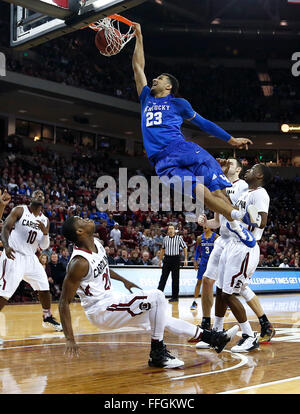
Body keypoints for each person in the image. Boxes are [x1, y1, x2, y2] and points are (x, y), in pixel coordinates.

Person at [131, 22, 260, 248]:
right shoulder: (146, 99)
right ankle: (239, 218)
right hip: (164, 162)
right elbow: (138, 68)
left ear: (169, 86)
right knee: (201, 192)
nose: (154, 80)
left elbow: (204, 123)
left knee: (218, 190)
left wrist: (231, 140)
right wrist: (139, 37)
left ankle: (238, 226)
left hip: (185, 149)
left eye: (159, 78)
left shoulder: (178, 103)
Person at [58, 216, 238, 368]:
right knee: (157, 297)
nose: (87, 219)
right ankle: (157, 353)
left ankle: (213, 338)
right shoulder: (78, 263)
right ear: (79, 232)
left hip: (113, 299)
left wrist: (124, 280)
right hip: (101, 310)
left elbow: (103, 268)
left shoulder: (96, 243)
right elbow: (63, 302)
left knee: (161, 318)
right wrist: (69, 339)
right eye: (81, 220)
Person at [197, 159, 275, 348]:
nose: (249, 170)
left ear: (260, 176)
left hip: (244, 246)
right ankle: (217, 331)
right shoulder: (247, 193)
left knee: (230, 293)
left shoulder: (260, 194)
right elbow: (226, 204)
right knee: (222, 292)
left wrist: (246, 217)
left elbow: (262, 222)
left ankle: (249, 335)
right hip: (231, 244)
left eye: (253, 169)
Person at [0, 190, 62, 346]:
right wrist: (6, 246)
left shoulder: (45, 220)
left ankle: (47, 317)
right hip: (14, 254)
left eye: (42, 195)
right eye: (37, 194)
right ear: (31, 198)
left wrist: (46, 233)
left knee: (44, 287)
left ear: (44, 200)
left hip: (31, 258)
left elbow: (44, 246)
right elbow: (5, 228)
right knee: (4, 293)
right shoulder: (20, 210)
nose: (40, 195)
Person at [190, 227, 219, 311]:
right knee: (199, 282)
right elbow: (198, 251)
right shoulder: (200, 238)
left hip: (214, 262)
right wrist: (195, 260)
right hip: (203, 262)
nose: (204, 226)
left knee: (219, 283)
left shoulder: (216, 237)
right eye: (203, 225)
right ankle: (194, 302)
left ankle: (226, 302)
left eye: (206, 225)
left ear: (210, 226)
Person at [157, 225, 188, 303]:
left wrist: (186, 259)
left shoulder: (179, 238)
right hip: (167, 259)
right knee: (163, 278)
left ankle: (175, 297)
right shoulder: (165, 239)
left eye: (172, 229)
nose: (170, 230)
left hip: (175, 259)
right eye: (169, 229)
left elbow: (184, 247)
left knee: (175, 279)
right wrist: (160, 260)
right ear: (167, 231)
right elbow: (162, 250)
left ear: (174, 230)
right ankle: (158, 295)